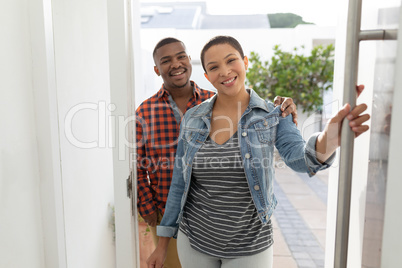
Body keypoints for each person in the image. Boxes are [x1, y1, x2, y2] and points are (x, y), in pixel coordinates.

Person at [146, 36, 370, 268]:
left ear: (245, 62)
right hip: (194, 241)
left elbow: (299, 159)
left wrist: (329, 138)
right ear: (207, 76)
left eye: (231, 60)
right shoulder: (193, 118)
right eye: (213, 67)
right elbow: (179, 185)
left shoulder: (272, 115)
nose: (224, 71)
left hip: (250, 244)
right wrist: (162, 246)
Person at [136, 37, 298, 268]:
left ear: (189, 61)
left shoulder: (214, 99)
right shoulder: (145, 110)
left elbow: (253, 114)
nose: (176, 64)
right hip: (167, 212)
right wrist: (149, 211)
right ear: (156, 69)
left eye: (181, 56)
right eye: (166, 60)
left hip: (230, 225)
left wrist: (281, 109)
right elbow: (139, 166)